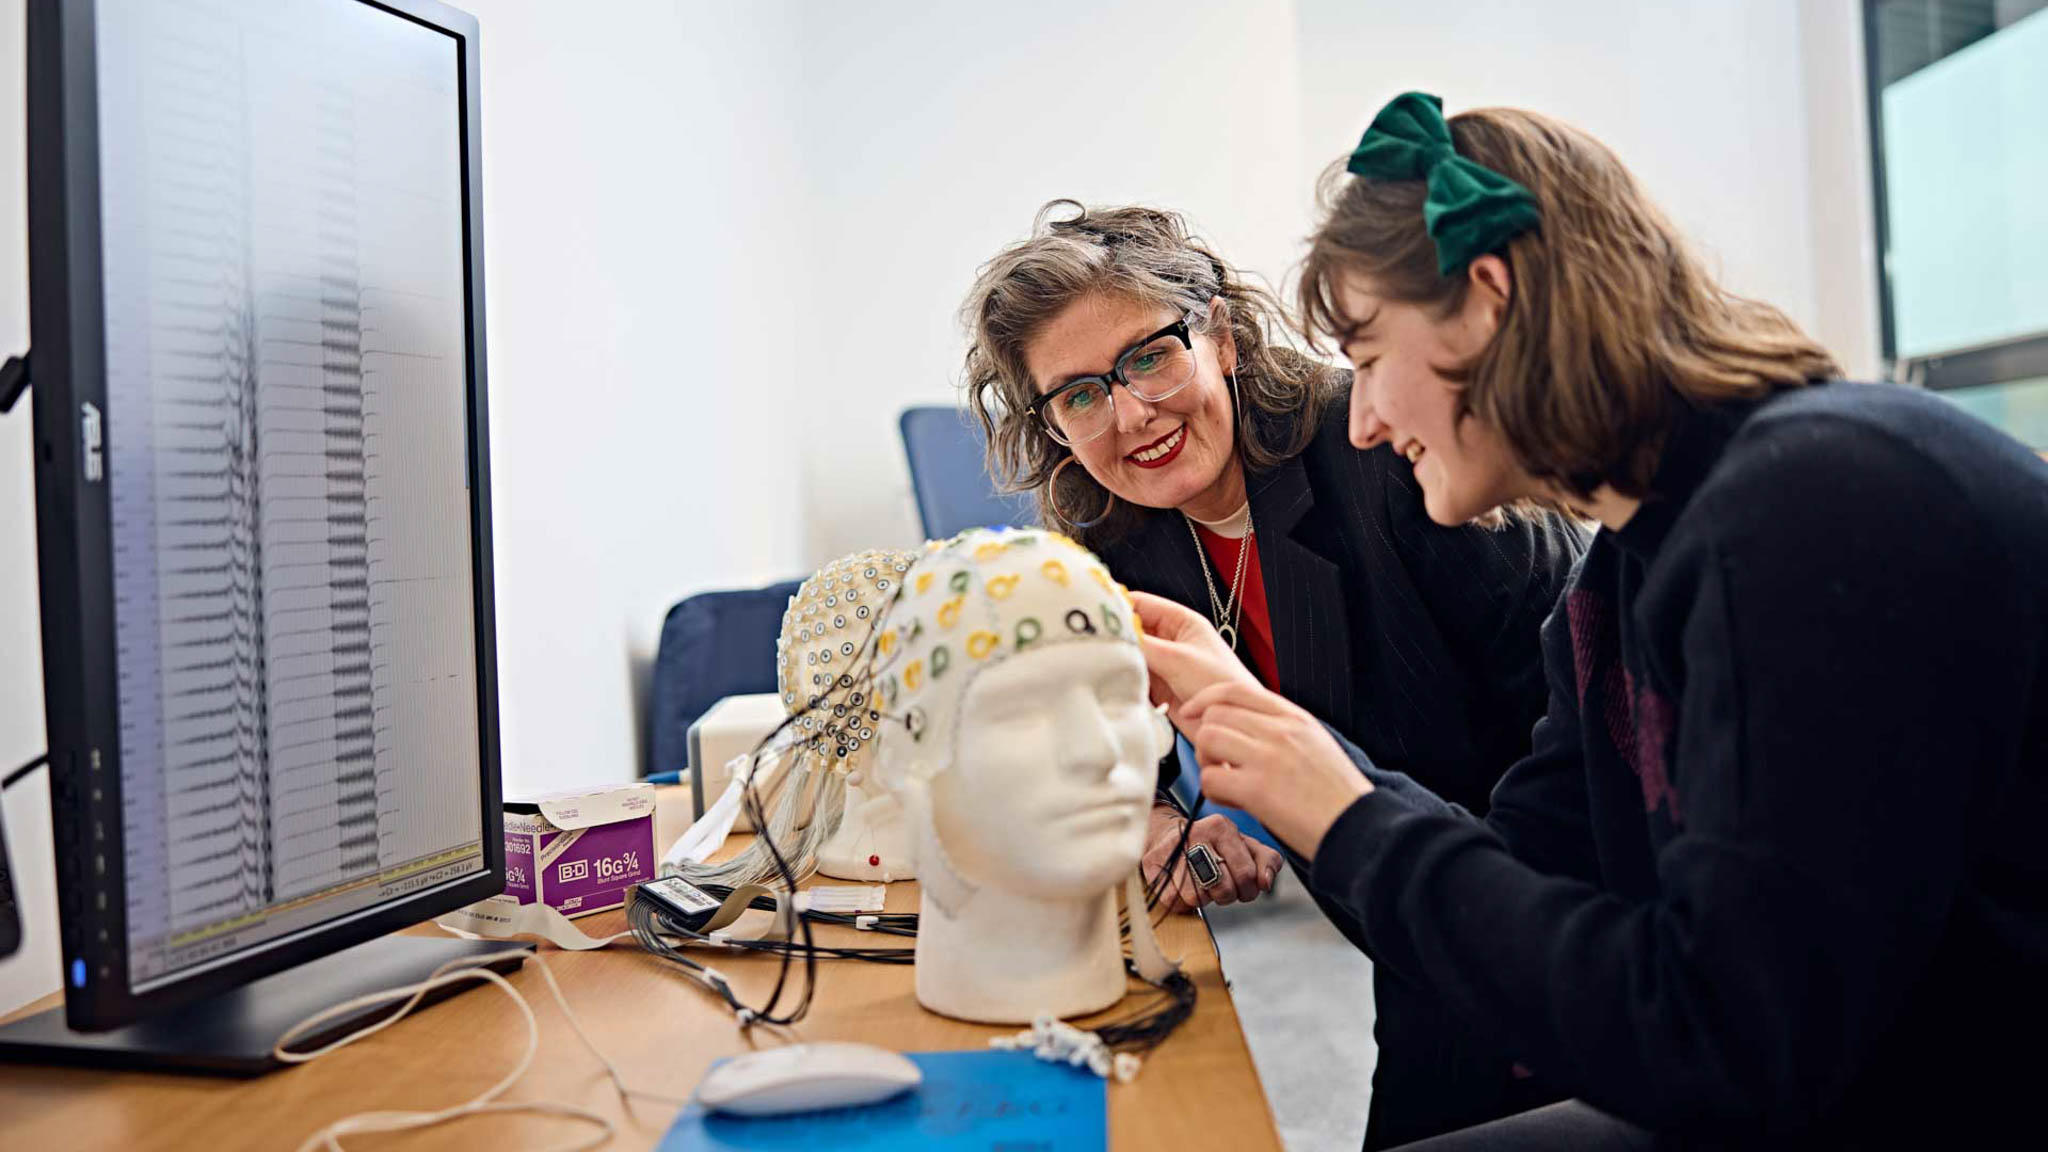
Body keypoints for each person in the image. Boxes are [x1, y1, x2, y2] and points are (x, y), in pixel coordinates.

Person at [1138, 92, 2048, 1148]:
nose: (1366, 415)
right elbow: (1515, 894)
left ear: (1487, 296)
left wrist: (1345, 814)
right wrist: (1284, 755)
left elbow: (1726, 1048)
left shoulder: (1818, 507)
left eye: (1370, 353)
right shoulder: (1617, 581)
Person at [960, 201, 1586, 1144]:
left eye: (1149, 356)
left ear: (1220, 335)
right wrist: (1168, 810)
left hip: (1537, 920)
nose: (1131, 413)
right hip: (1403, 932)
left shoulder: (1393, 458)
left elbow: (1586, 731)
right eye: (1080, 394)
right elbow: (1099, 728)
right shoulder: (1111, 532)